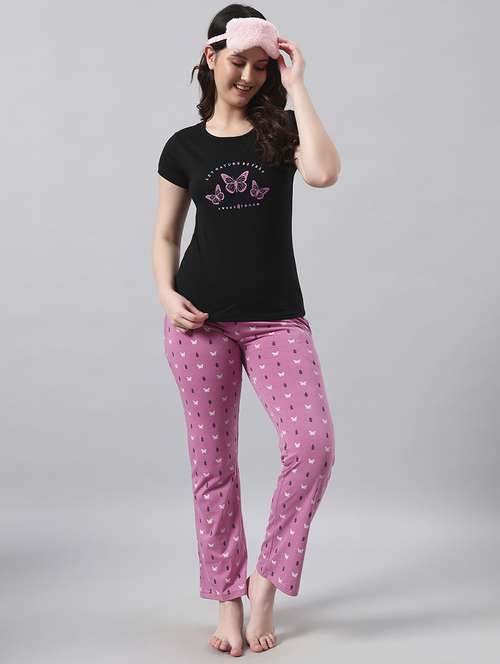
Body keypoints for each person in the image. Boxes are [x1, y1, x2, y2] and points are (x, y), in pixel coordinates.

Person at [152, 4, 341, 656]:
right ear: (211, 58)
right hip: (199, 325)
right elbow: (166, 233)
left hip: (275, 322)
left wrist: (298, 84)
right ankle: (227, 600)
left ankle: (267, 581)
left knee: (312, 446)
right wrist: (166, 293)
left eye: (263, 66)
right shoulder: (183, 147)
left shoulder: (280, 131)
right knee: (213, 468)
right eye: (240, 62)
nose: (249, 77)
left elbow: (324, 173)